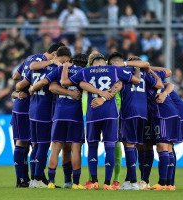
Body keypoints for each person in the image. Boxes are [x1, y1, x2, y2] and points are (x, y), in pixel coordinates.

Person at [60, 52, 140, 190]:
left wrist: (65, 68)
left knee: (92, 146)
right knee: (110, 146)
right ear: (104, 62)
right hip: (110, 112)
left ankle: (93, 182)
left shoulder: (86, 71)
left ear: (94, 63)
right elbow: (136, 80)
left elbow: (64, 82)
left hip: (93, 112)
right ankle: (108, 183)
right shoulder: (114, 69)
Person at [104, 53, 162, 190]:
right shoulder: (145, 74)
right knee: (137, 145)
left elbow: (117, 86)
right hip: (143, 113)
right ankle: (136, 179)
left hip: (129, 111)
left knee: (128, 145)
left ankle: (133, 182)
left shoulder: (124, 72)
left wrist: (104, 96)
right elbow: (159, 83)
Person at [15, 45, 71, 188]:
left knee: (35, 145)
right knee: (43, 146)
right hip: (45, 111)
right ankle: (38, 178)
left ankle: (33, 179)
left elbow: (20, 84)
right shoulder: (56, 69)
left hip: (32, 110)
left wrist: (18, 93)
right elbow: (53, 87)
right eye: (66, 61)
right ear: (62, 58)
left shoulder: (35, 68)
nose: (66, 64)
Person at [31, 53, 87, 189]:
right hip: (75, 115)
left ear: (71, 61)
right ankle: (75, 183)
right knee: (76, 149)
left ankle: (51, 181)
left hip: (59, 113)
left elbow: (49, 86)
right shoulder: (84, 72)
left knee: (55, 148)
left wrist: (32, 88)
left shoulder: (61, 69)